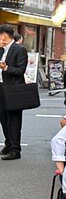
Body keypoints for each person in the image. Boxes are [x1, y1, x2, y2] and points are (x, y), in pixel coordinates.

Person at [0, 25, 27, 160]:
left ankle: (16, 150)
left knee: (14, 120)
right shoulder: (1, 50)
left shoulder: (20, 50)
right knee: (3, 118)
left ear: (4, 36)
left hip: (13, 90)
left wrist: (6, 68)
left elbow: (20, 70)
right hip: (2, 88)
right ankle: (8, 144)